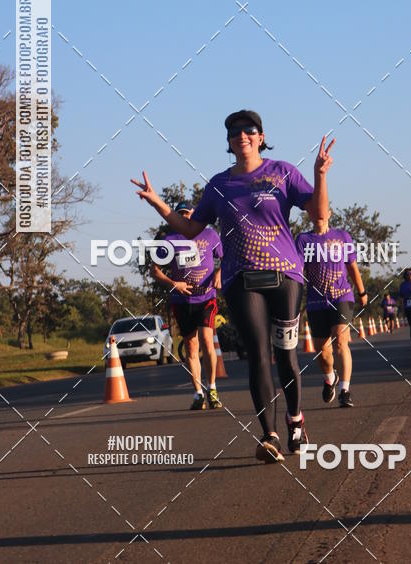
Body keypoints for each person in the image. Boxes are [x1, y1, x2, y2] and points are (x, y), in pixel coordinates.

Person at [132, 109, 335, 464]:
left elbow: (318, 212)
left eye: (249, 130)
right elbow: (192, 229)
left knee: (286, 355)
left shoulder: (282, 172)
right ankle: (269, 435)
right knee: (258, 354)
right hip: (241, 280)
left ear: (260, 137)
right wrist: (158, 204)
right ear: (228, 142)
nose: (241, 136)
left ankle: (296, 419)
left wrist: (319, 176)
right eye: (234, 132)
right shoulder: (219, 185)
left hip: (286, 276)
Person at [149, 201, 223, 410]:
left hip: (206, 297)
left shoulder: (210, 235)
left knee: (207, 340)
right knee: (191, 346)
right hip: (182, 301)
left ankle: (213, 388)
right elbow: (154, 270)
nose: (186, 217)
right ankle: (198, 394)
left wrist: (219, 273)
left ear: (196, 214)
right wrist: (173, 284)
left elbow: (226, 259)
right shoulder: (170, 240)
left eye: (188, 213)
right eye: (181, 214)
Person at [295, 213, 367, 408]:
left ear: (328, 213)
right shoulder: (303, 240)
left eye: (323, 209)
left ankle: (345, 390)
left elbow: (352, 266)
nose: (319, 213)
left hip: (342, 296)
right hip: (316, 302)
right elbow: (298, 271)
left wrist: (362, 291)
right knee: (322, 351)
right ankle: (330, 378)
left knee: (341, 341)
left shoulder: (343, 236)